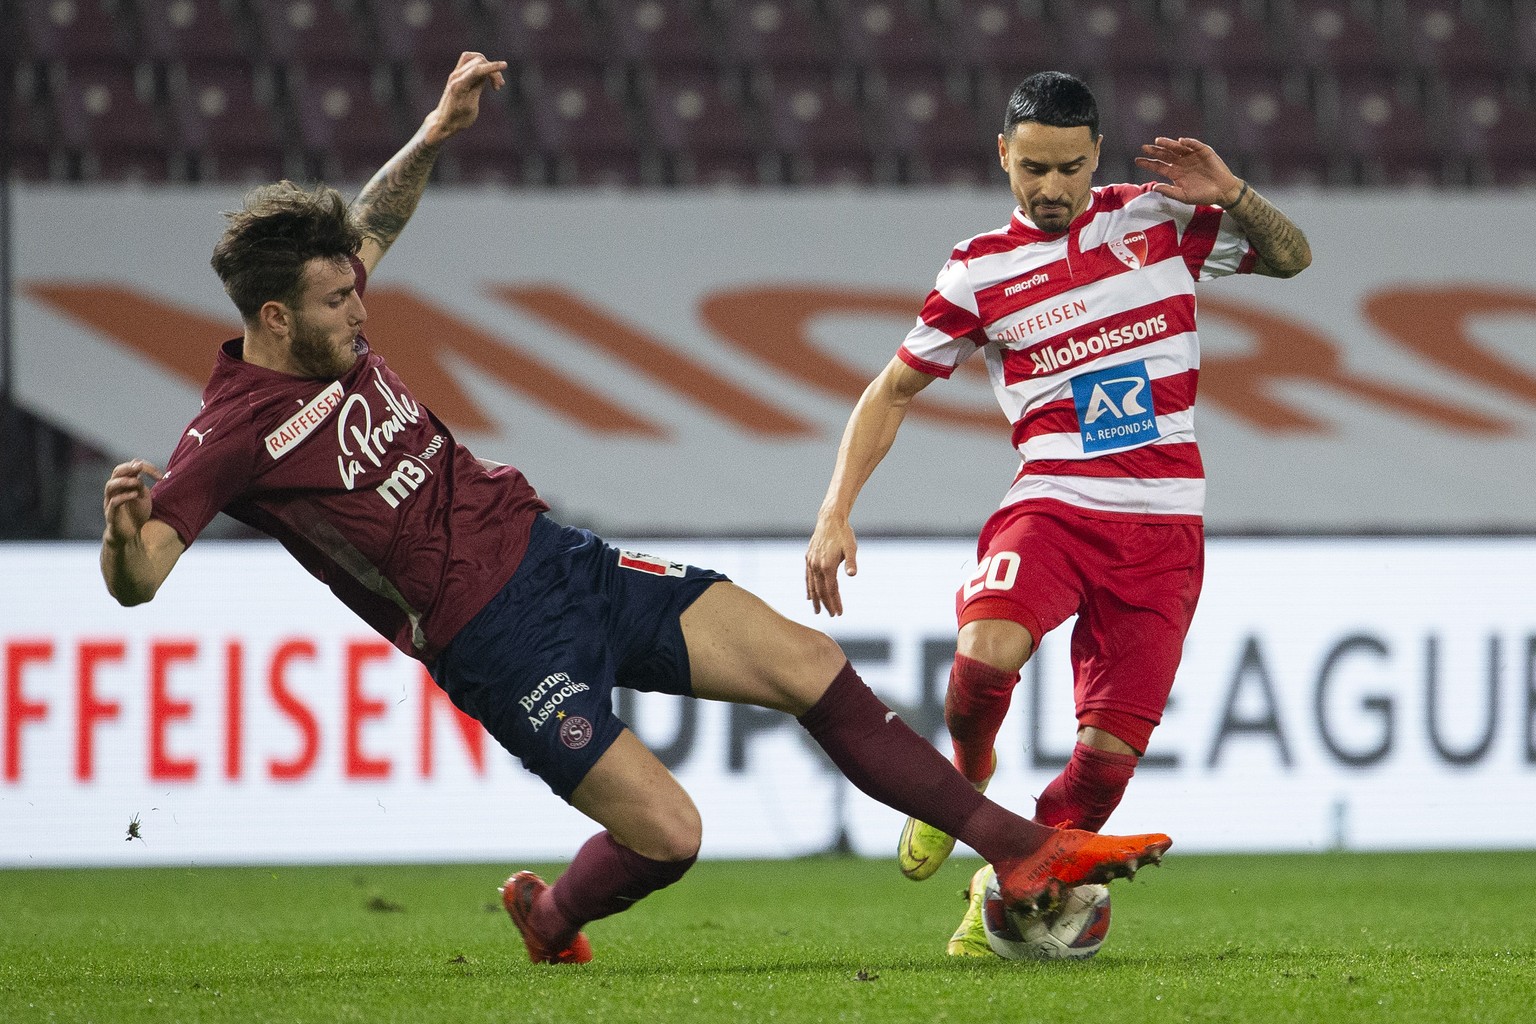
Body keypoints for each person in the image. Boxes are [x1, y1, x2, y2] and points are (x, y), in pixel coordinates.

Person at [100, 54, 1171, 968]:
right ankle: (553, 913)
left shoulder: (327, 304)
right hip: (494, 641)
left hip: (559, 558)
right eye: (341, 300)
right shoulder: (232, 430)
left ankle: (1020, 847)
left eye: (356, 286)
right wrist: (118, 536)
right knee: (671, 833)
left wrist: (434, 129)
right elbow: (143, 576)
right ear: (277, 316)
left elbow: (374, 216)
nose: (362, 306)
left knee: (807, 664)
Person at [805, 71, 1311, 955]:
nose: (1049, 188)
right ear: (1003, 154)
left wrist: (1232, 192)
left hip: (1165, 526)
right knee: (983, 659)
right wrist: (834, 509)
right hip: (1056, 500)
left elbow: (1295, 256)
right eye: (1032, 167)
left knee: (1105, 768)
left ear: (1095, 157)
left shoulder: (1157, 220)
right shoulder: (976, 271)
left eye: (1068, 168)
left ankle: (994, 891)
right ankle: (967, 776)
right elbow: (890, 392)